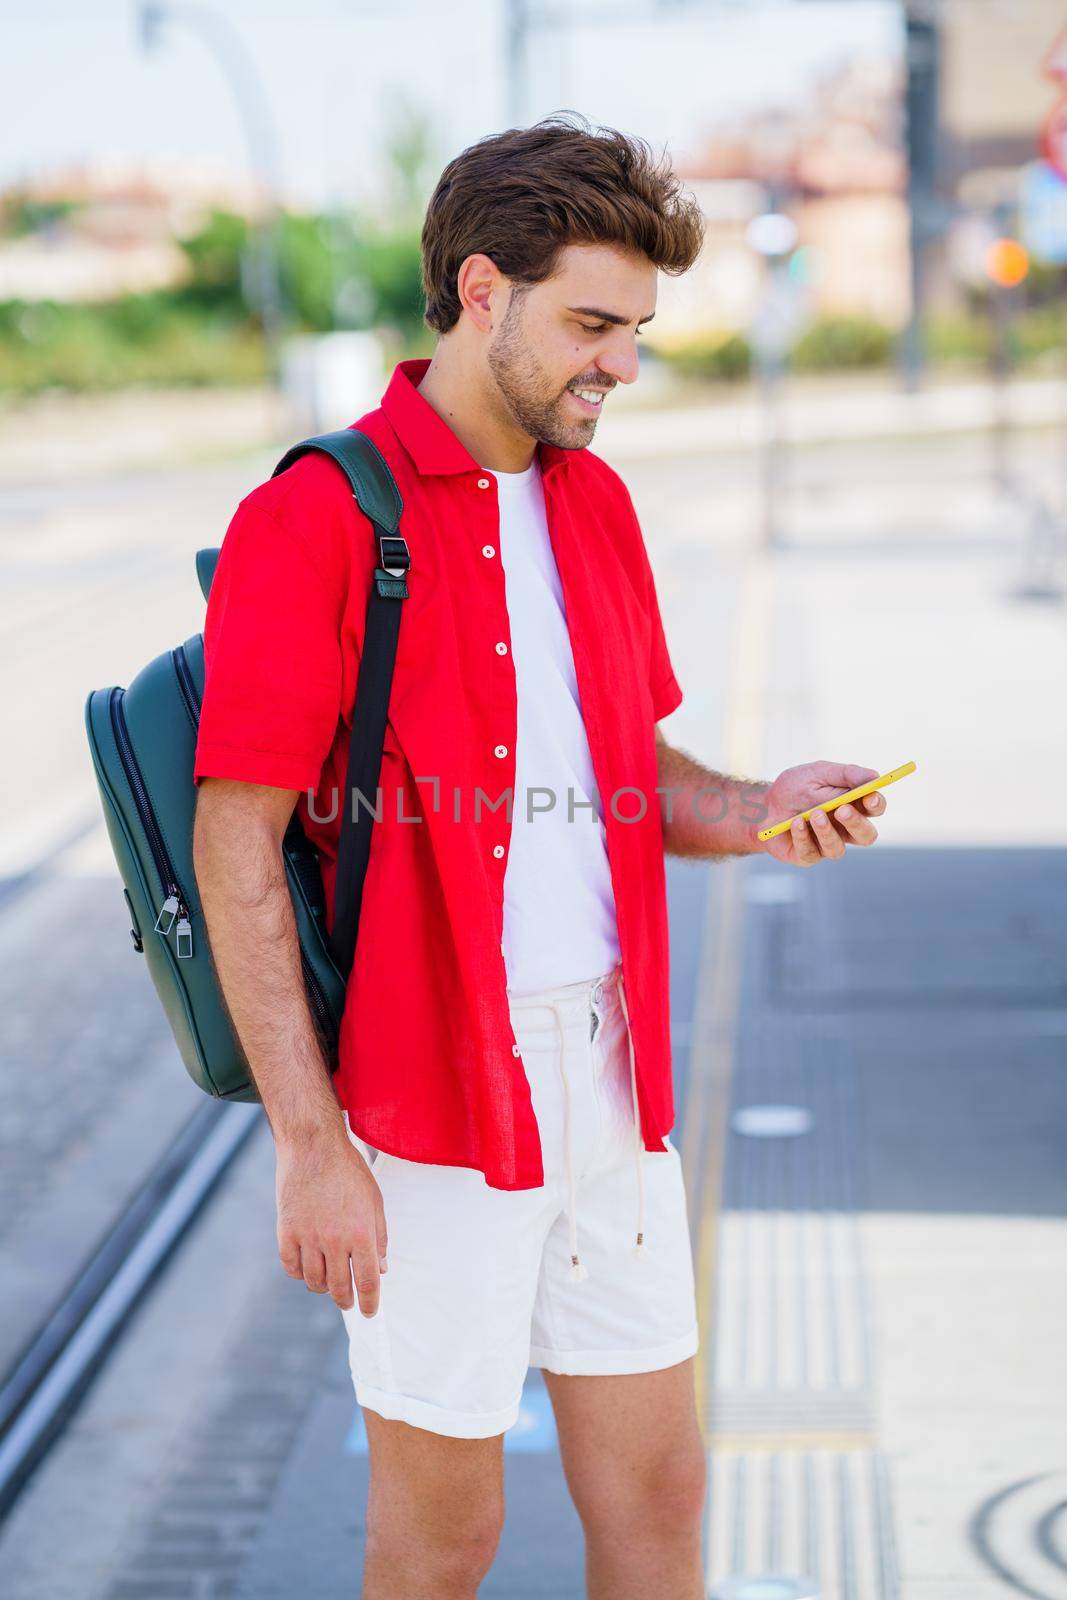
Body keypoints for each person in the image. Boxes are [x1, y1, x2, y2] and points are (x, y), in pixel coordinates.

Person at [191, 114, 887, 1600]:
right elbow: (234, 840)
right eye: (592, 324)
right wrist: (310, 1147)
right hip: (427, 1096)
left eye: (635, 331)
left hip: (613, 1078)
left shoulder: (597, 502)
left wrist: (772, 803)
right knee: (446, 1540)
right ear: (483, 291)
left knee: (662, 1493)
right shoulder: (318, 515)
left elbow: (638, 777)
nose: (619, 365)